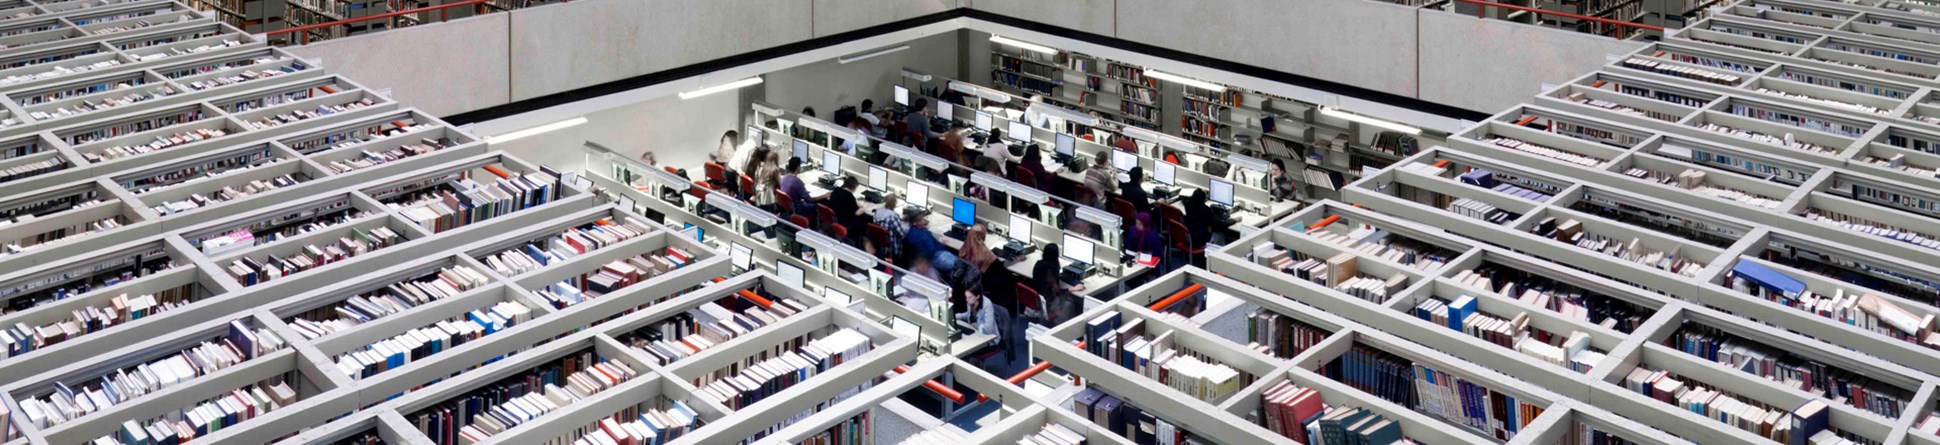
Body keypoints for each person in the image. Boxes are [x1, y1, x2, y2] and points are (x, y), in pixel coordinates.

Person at [871, 194, 907, 261]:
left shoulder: (877, 211)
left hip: (879, 244)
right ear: (894, 204)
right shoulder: (893, 216)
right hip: (891, 245)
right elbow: (902, 234)